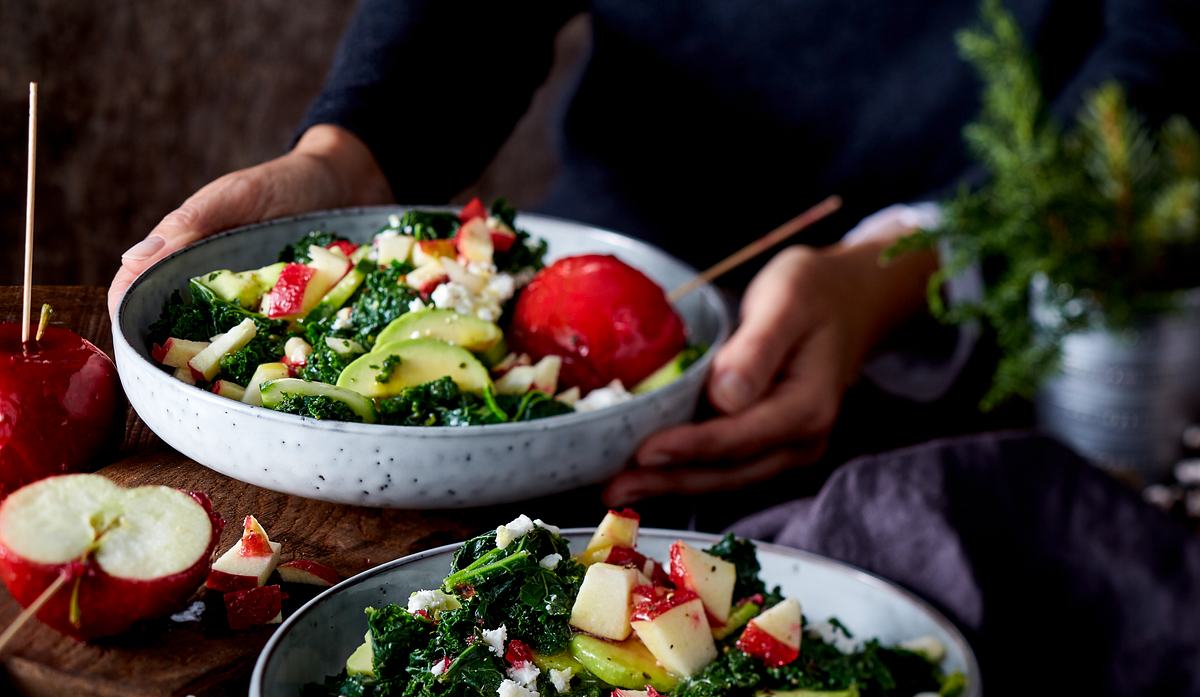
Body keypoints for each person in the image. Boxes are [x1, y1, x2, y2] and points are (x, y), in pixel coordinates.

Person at [108, 1, 1200, 505]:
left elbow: (1166, 50)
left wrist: (904, 270)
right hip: (595, 290)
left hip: (991, 362)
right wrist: (355, 153)